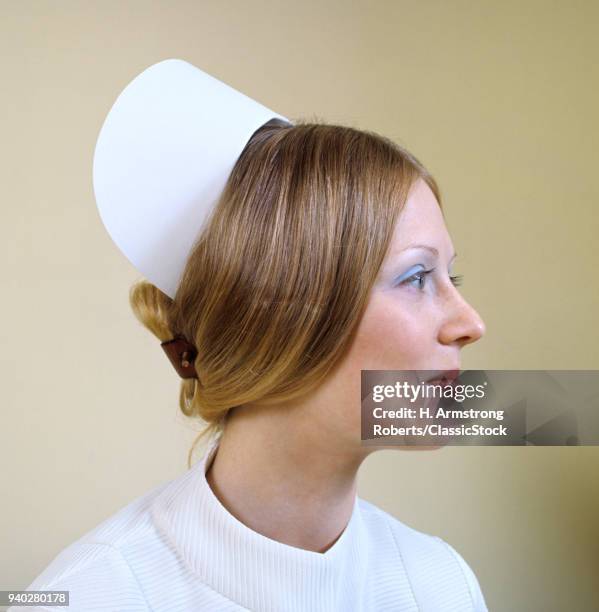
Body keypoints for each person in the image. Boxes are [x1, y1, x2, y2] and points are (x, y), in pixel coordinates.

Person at [10, 62, 488, 611]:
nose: (470, 324)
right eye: (416, 277)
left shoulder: (441, 585)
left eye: (451, 277)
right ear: (280, 318)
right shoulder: (83, 596)